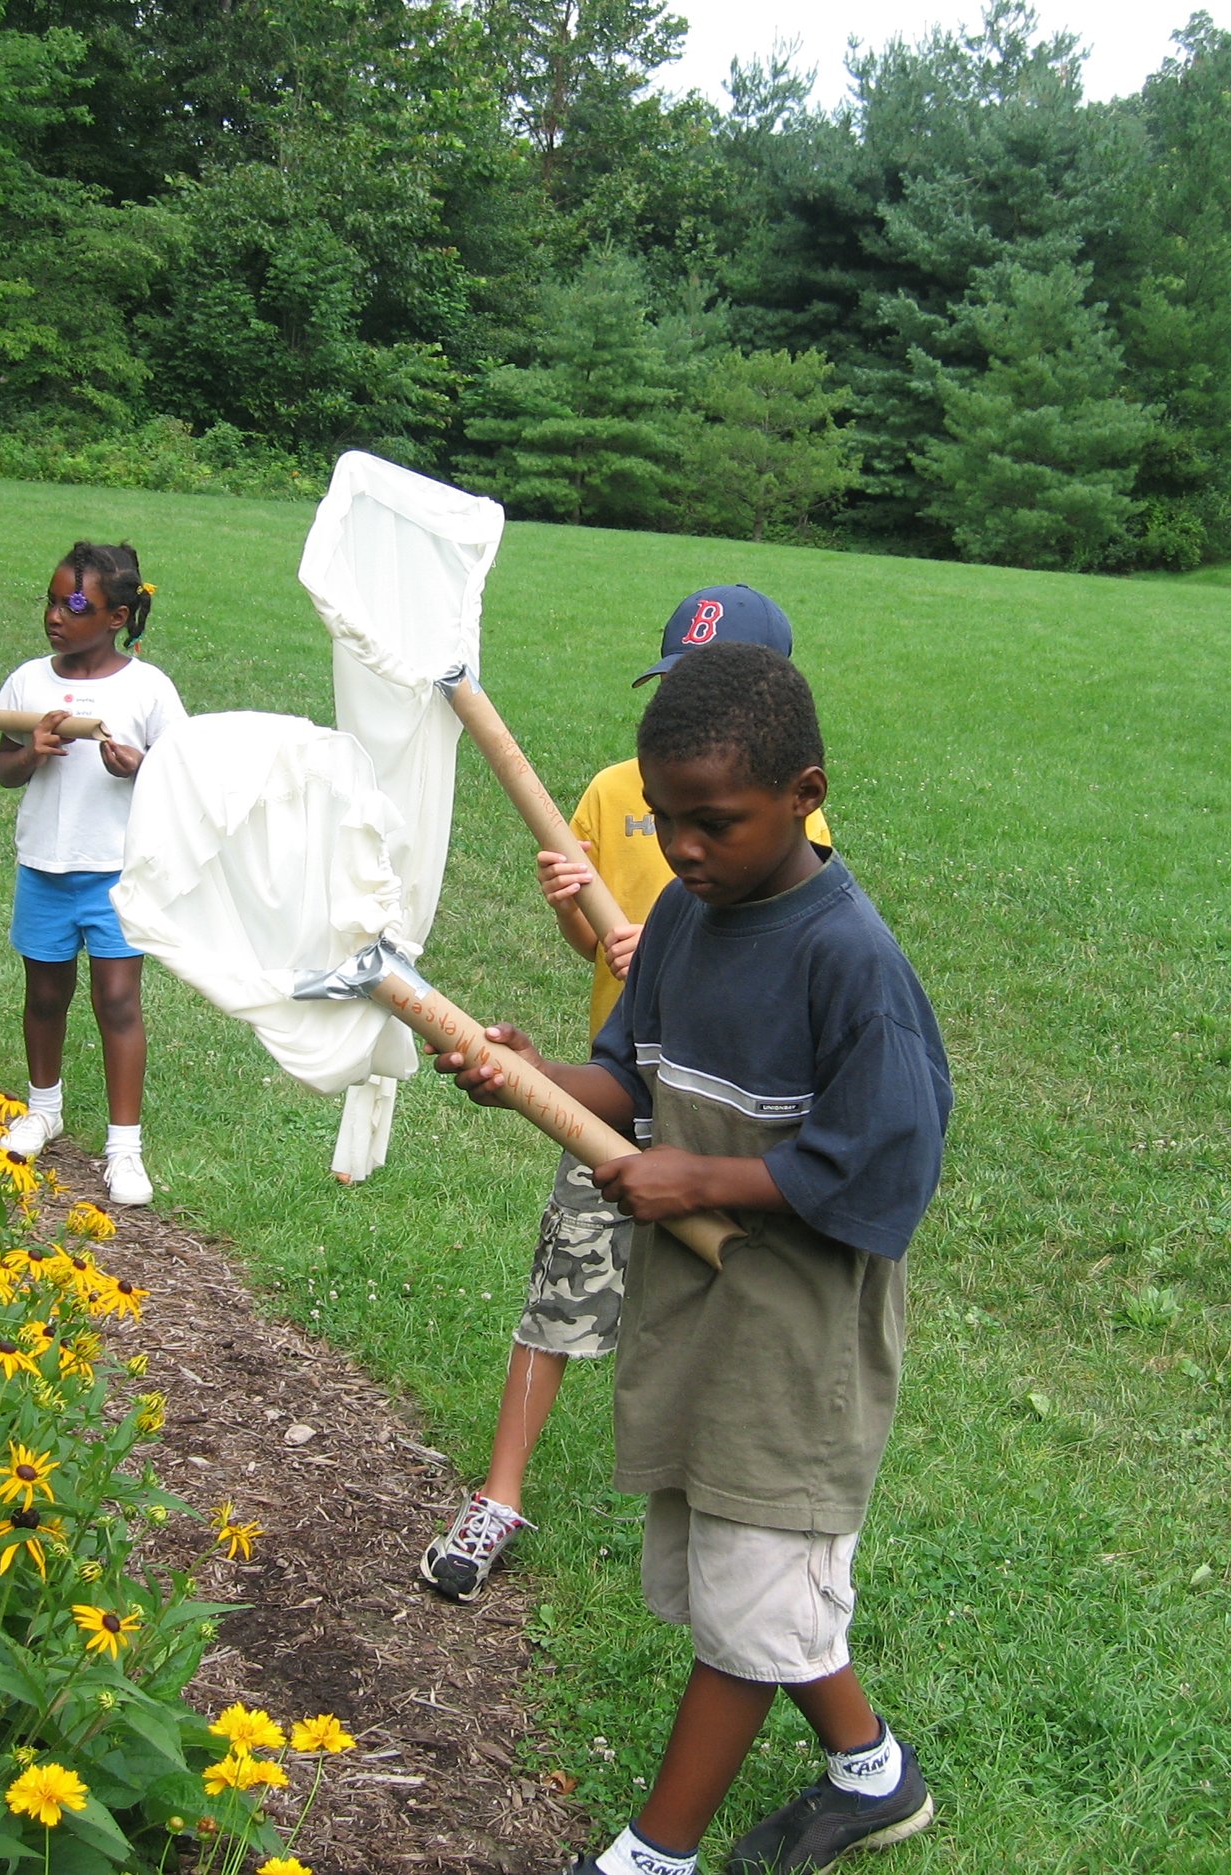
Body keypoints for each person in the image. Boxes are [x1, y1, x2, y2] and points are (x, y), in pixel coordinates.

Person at [433, 641, 950, 1875]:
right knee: (748, 1572)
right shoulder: (681, 919)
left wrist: (703, 1178)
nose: (680, 849)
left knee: (749, 1601)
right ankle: (874, 1771)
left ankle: (651, 1856)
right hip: (706, 1314)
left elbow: (888, 1167)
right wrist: (526, 1078)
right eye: (663, 821)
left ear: (805, 790)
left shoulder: (850, 962)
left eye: (712, 822)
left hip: (796, 1337)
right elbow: (629, 1077)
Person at [421, 587, 830, 1605]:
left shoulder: (791, 816)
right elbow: (595, 950)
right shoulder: (617, 788)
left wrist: (681, 951)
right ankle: (500, 1494)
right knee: (563, 1284)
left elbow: (790, 922)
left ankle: (739, 1506)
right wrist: (583, 920)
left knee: (724, 1311)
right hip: (618, 1086)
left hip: (724, 1106)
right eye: (673, 683)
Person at [0, 542, 186, 1205]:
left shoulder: (147, 688)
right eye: (49, 600)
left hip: (116, 875)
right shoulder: (27, 681)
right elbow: (3, 767)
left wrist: (142, 766)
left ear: (117, 616)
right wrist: (34, 753)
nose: (54, 616)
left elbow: (185, 777)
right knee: (45, 996)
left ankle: (123, 1148)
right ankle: (43, 1108)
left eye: (73, 606)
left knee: (118, 1002)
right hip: (44, 867)